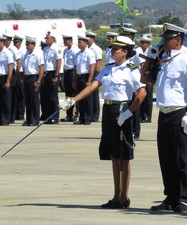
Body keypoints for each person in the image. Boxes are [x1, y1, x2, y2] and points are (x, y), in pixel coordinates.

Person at [60, 35, 146, 208]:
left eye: (117, 49)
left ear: (126, 52)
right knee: (114, 155)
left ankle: (124, 197)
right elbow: (92, 86)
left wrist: (128, 113)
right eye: (112, 48)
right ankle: (116, 196)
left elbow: (142, 93)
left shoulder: (131, 70)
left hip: (122, 111)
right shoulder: (108, 68)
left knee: (124, 157)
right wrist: (73, 100)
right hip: (108, 112)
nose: (113, 51)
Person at [141, 23, 187, 213]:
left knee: (183, 159)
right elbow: (145, 80)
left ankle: (185, 198)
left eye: (167, 38)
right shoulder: (163, 59)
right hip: (164, 113)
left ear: (178, 39)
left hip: (180, 113)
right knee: (167, 158)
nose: (164, 41)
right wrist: (150, 59)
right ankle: (171, 196)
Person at [120, 27, 144, 140]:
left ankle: (135, 131)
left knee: (135, 107)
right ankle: (128, 130)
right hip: (126, 83)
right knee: (127, 107)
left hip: (135, 82)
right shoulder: (124, 49)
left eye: (127, 36)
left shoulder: (137, 52)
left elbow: (143, 66)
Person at [72, 36, 95, 125]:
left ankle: (88, 118)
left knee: (87, 99)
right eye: (78, 42)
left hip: (86, 77)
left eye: (80, 42)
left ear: (86, 43)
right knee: (80, 98)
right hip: (79, 77)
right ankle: (81, 118)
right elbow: (75, 68)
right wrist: (74, 80)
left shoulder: (90, 53)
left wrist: (89, 80)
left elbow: (92, 68)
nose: (78, 43)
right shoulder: (77, 54)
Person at [22, 36, 44, 126]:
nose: (26, 46)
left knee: (34, 100)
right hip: (27, 78)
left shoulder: (38, 54)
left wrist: (38, 81)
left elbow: (41, 68)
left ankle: (35, 120)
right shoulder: (25, 54)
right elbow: (24, 69)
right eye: (26, 44)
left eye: (28, 44)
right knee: (28, 100)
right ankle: (29, 119)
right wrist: (23, 80)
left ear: (33, 45)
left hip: (34, 78)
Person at [41, 31, 62, 124]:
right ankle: (48, 116)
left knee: (53, 97)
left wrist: (56, 75)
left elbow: (59, 62)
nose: (46, 39)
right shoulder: (45, 49)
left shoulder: (56, 48)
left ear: (53, 39)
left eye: (48, 38)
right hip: (46, 74)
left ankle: (55, 117)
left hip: (53, 73)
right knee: (46, 96)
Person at [3, 33, 22, 124]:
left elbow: (19, 62)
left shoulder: (12, 49)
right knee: (7, 97)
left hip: (13, 73)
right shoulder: (5, 49)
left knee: (12, 97)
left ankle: (11, 117)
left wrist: (15, 76)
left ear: (9, 40)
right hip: (7, 74)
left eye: (5, 40)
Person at [60, 34, 79, 122]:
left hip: (72, 72)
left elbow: (75, 64)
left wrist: (74, 77)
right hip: (66, 72)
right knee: (67, 95)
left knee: (73, 94)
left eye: (65, 40)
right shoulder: (65, 50)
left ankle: (74, 114)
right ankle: (69, 114)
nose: (64, 42)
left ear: (70, 40)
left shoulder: (75, 50)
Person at [86, 31, 102, 122]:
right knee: (89, 96)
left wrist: (95, 76)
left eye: (88, 38)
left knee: (94, 96)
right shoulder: (88, 49)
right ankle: (90, 113)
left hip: (95, 74)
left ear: (92, 38)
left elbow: (98, 63)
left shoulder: (96, 49)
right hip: (88, 73)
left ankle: (95, 115)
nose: (86, 40)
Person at [137, 34, 153, 123]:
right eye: (142, 42)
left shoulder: (151, 52)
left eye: (145, 43)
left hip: (148, 76)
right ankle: (141, 115)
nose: (142, 44)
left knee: (148, 98)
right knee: (141, 97)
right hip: (140, 77)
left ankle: (147, 116)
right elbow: (141, 65)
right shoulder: (138, 51)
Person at [0, 36, 14, 126]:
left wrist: (8, 81)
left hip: (5, 77)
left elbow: (10, 68)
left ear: (2, 42)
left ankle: (6, 119)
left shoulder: (7, 53)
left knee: (6, 100)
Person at [13, 35, 26, 121]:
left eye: (18, 42)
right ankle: (16, 112)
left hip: (21, 73)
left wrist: (23, 78)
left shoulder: (23, 52)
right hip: (14, 73)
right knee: (15, 94)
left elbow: (24, 65)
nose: (17, 44)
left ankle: (21, 113)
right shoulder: (13, 50)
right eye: (16, 42)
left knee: (21, 94)